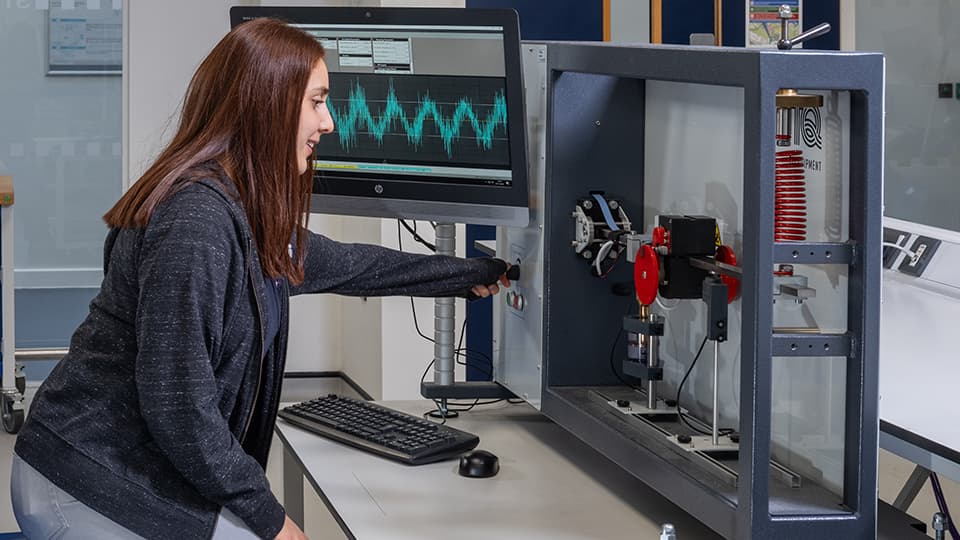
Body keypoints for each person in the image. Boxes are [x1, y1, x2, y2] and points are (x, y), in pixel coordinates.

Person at [10, 18, 509, 540]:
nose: (330, 123)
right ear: (267, 104)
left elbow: (355, 264)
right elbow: (177, 404)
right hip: (81, 478)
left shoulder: (243, 218)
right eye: (317, 101)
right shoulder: (197, 224)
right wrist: (270, 518)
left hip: (129, 467)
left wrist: (472, 274)